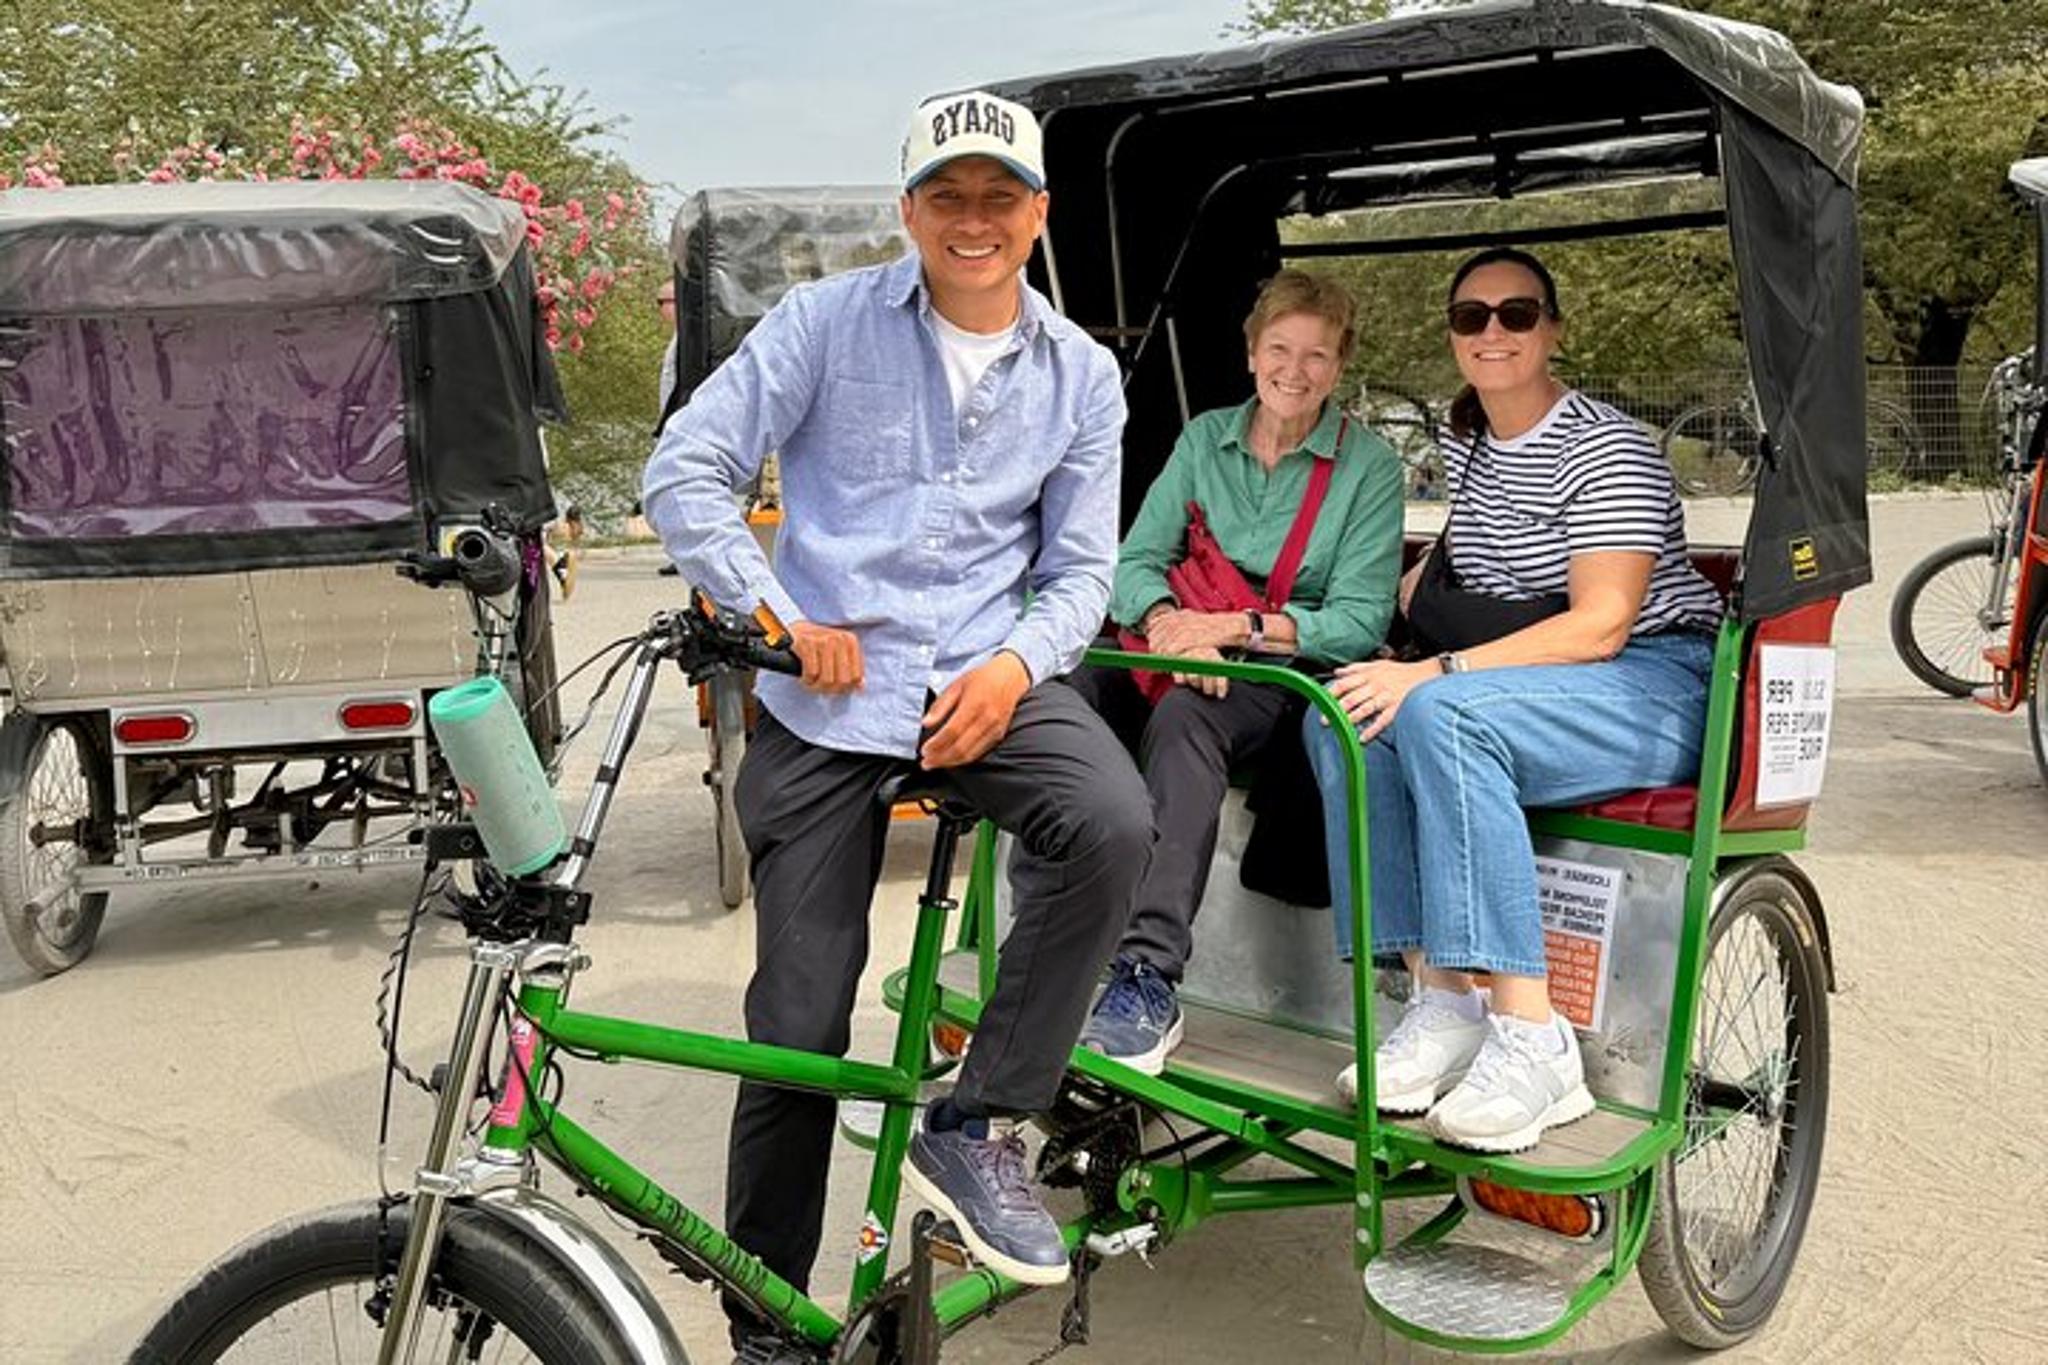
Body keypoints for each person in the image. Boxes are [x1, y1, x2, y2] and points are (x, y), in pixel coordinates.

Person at [643, 89, 1154, 1356]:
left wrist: (1016, 666)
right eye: (946, 197)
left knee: (1108, 819)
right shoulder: (824, 322)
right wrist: (769, 610)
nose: (970, 221)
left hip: (981, 685)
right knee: (800, 1029)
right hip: (824, 699)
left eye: (998, 198)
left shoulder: (1082, 373)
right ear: (908, 210)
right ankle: (765, 1316)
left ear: (1035, 217)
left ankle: (976, 1120)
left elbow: (1083, 573)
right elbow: (682, 468)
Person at [1303, 247, 1724, 1154]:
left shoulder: (1605, 446)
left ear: (1554, 329)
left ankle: (1534, 1040)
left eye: (1517, 314)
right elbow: (1460, 573)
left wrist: (1431, 674)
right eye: (1471, 318)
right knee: (1340, 714)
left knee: (1435, 713)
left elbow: (1602, 623)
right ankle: (1445, 999)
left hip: (1655, 678)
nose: (1492, 332)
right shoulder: (1472, 442)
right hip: (1548, 679)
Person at [1067, 269, 1405, 1074]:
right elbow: (1134, 562)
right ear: (1252, 352)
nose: (1296, 369)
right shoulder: (1203, 439)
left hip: (1286, 676)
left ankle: (1148, 973)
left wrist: (1229, 628)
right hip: (1179, 649)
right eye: (1280, 348)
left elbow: (1359, 619)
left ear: (1340, 364)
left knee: (1188, 718)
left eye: (1317, 355)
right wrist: (1168, 628)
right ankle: (1042, 932)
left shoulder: (1370, 469)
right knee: (1064, 691)